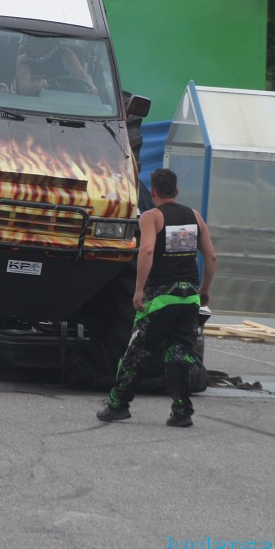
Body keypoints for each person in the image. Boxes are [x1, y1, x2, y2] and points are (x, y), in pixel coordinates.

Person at [97, 168, 216, 428]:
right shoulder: (194, 216)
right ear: (177, 191)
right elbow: (211, 256)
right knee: (179, 354)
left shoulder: (151, 216)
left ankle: (118, 405)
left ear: (152, 192)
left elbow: (148, 249)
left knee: (135, 353)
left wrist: (139, 290)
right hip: (188, 299)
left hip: (160, 299)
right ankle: (182, 411)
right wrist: (204, 289)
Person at [15, 36, 95, 95]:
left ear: (47, 45)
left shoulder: (64, 54)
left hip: (63, 103)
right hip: (33, 107)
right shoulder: (23, 60)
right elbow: (23, 89)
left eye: (34, 45)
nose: (28, 51)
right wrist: (38, 85)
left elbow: (83, 76)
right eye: (26, 46)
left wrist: (90, 86)